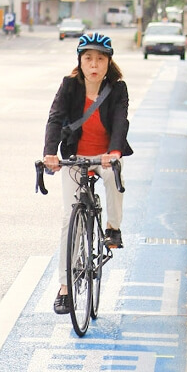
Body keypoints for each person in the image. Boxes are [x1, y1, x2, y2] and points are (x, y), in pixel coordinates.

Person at [43, 32, 133, 315]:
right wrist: (50, 153)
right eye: (88, 58)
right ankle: (65, 288)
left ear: (109, 63)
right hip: (75, 157)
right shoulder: (69, 85)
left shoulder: (117, 88)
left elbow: (121, 120)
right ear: (80, 61)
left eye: (100, 59)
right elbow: (55, 117)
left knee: (113, 181)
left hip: (105, 156)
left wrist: (115, 152)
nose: (94, 64)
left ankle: (112, 228)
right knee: (69, 219)